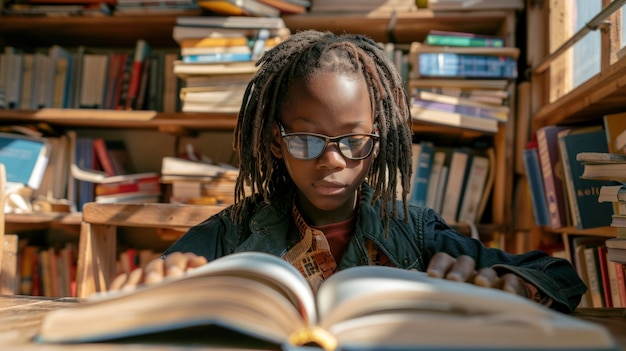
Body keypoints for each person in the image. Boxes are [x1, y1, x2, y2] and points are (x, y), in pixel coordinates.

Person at [111, 29, 586, 313]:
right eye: (304, 139)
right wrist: (162, 279)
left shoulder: (415, 231)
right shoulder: (231, 231)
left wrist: (514, 283)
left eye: (354, 141)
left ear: (379, 142)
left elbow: (558, 275)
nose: (332, 160)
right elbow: (159, 282)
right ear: (276, 140)